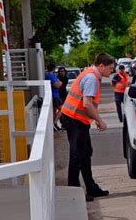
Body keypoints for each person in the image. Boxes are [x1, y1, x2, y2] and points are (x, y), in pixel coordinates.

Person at [60, 53, 115, 202]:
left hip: (77, 119)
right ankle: (74, 191)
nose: (111, 71)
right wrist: (100, 120)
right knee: (77, 155)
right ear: (101, 66)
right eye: (110, 68)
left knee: (85, 153)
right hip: (74, 119)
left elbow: (87, 105)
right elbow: (87, 103)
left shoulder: (90, 75)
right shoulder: (91, 78)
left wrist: (93, 118)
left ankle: (91, 188)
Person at [45, 63, 63, 131]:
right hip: (54, 96)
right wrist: (59, 82)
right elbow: (57, 85)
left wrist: (59, 82)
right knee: (62, 109)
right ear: (53, 68)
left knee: (54, 110)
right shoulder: (50, 76)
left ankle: (53, 125)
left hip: (55, 95)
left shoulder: (52, 75)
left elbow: (59, 82)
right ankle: (55, 123)